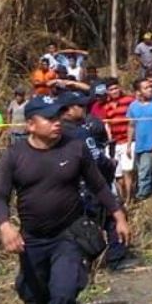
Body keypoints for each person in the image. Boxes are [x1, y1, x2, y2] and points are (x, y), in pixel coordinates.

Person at [0, 94, 132, 304]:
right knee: (35, 295)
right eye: (49, 118)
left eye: (58, 116)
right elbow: (0, 197)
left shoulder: (75, 147)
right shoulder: (15, 155)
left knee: (65, 289)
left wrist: (119, 216)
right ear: (31, 125)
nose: (57, 123)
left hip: (68, 234)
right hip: (32, 239)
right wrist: (5, 226)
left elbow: (99, 186)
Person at [58, 91, 129, 269]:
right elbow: (96, 158)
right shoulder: (79, 132)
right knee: (113, 215)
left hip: (65, 190)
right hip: (88, 186)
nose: (84, 109)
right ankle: (117, 258)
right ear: (68, 110)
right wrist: (110, 164)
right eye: (80, 106)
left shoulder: (54, 132)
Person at [125, 78, 152, 202]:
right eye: (146, 88)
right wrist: (129, 145)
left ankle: (141, 197)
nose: (150, 89)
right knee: (139, 172)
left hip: (151, 144)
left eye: (150, 87)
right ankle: (150, 193)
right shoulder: (133, 106)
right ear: (138, 91)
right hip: (139, 145)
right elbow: (131, 126)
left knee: (144, 172)